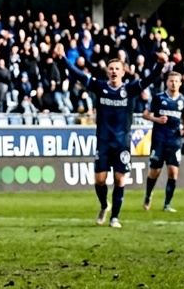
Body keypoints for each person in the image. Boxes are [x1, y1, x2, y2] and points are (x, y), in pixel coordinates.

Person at [59, 44, 168, 228]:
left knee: (119, 179)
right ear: (107, 72)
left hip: (122, 143)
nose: (114, 71)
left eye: (117, 69)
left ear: (123, 72)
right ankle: (104, 205)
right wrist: (63, 57)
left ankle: (115, 217)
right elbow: (77, 74)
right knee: (99, 180)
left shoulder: (130, 89)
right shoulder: (99, 87)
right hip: (103, 142)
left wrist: (159, 65)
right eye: (111, 69)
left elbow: (150, 79)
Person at [143, 71, 184, 213]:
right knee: (154, 172)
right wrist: (157, 119)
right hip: (159, 140)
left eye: (176, 81)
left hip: (174, 140)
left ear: (180, 83)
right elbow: (145, 115)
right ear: (167, 82)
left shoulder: (183, 101)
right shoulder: (158, 98)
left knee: (173, 172)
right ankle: (148, 195)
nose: (173, 83)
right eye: (171, 81)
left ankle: (167, 204)